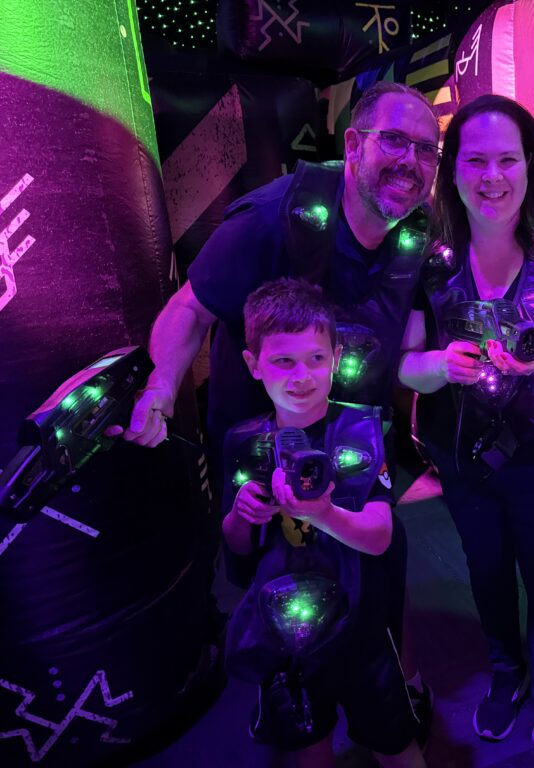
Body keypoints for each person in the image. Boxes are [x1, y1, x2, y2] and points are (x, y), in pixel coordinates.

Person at [121, 81, 439, 740]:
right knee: (278, 582)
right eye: (394, 141)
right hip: (262, 448)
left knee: (380, 563)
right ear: (354, 144)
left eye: (425, 149)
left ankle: (395, 685)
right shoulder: (271, 218)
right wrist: (161, 387)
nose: (410, 160)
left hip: (354, 445)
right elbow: (190, 309)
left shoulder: (415, 237)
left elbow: (406, 334)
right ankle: (296, 701)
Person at [398, 95, 534, 767]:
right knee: (486, 571)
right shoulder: (426, 254)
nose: (492, 177)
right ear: (452, 169)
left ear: (530, 164)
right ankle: (505, 673)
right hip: (462, 457)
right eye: (475, 161)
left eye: (507, 160)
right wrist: (441, 364)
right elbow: (404, 364)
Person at [221, 278, 425, 768]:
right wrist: (241, 514)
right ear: (253, 364)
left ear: (336, 359)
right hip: (284, 632)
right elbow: (236, 553)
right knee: (308, 746)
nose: (302, 376)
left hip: (360, 625)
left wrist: (324, 514)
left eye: (315, 358)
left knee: (394, 744)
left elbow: (380, 536)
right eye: (283, 361)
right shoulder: (243, 441)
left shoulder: (362, 429)